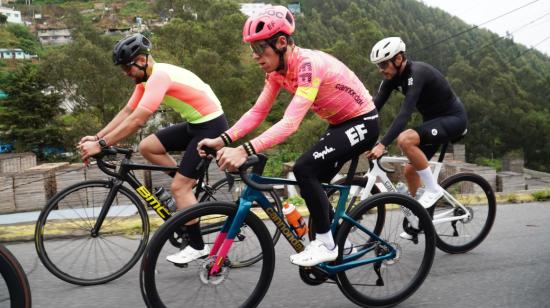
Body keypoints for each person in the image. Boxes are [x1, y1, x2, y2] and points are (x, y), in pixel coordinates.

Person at [198, 5, 379, 267]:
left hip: (363, 121)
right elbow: (258, 112)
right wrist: (222, 140)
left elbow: (291, 123)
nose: (256, 57)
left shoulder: (307, 65)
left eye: (260, 49)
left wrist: (243, 150)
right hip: (339, 124)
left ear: (281, 42)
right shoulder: (276, 73)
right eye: (252, 50)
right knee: (311, 186)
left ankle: (327, 243)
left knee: (305, 168)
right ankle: (343, 245)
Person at [78, 33, 228, 264]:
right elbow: (127, 112)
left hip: (211, 126)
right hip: (195, 124)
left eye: (127, 67)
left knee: (179, 188)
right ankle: (190, 184)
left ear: (141, 60)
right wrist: (98, 136)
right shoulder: (145, 80)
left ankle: (198, 246)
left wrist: (102, 145)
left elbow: (138, 119)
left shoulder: (159, 76)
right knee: (148, 146)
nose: (125, 73)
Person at [367, 37, 467, 236]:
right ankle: (420, 219)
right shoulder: (390, 80)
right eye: (379, 65)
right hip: (433, 123)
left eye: (384, 64)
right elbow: (373, 108)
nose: (381, 69)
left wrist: (383, 143)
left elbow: (404, 114)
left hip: (453, 119)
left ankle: (433, 189)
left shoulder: (417, 73)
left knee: (405, 139)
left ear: (399, 59)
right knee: (410, 171)